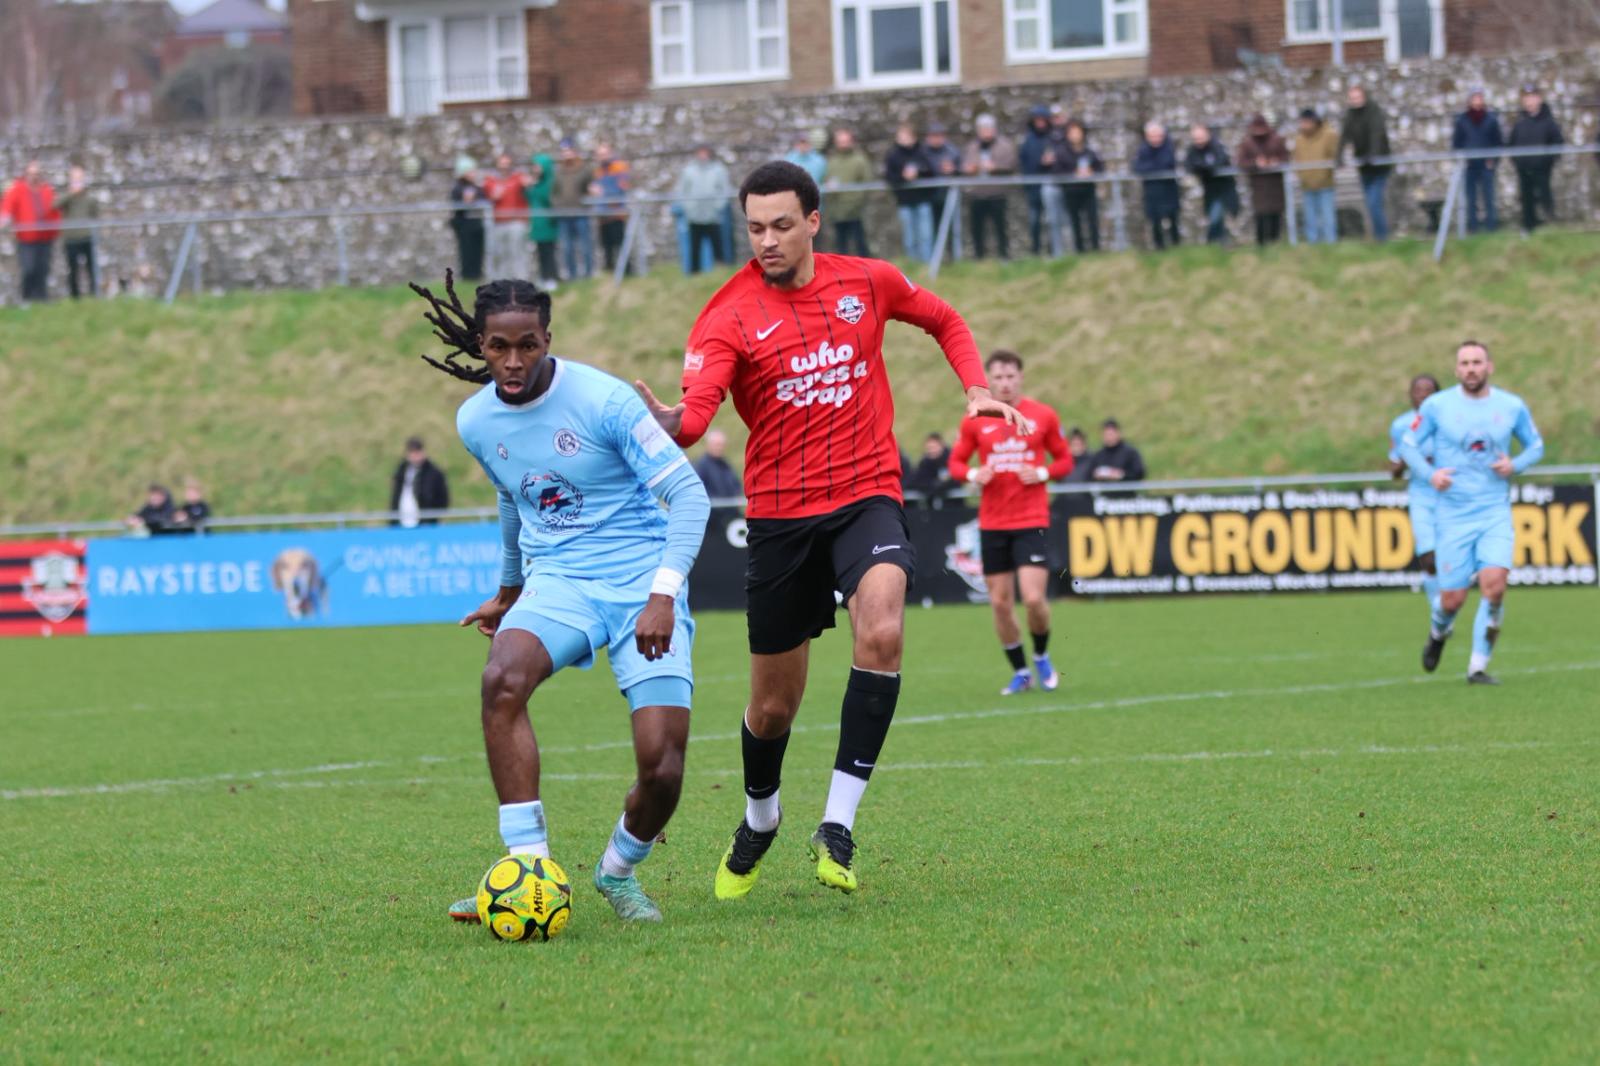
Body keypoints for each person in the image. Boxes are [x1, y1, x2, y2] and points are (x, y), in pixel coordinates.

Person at [633, 161, 1028, 897]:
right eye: (754, 227)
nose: (767, 240)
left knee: (881, 630)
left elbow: (942, 317)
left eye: (782, 225)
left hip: (865, 494)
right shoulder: (727, 315)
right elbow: (695, 415)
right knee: (773, 707)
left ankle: (838, 824)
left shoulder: (867, 281)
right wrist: (668, 425)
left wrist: (974, 383)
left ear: (814, 221)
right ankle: (759, 818)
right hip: (780, 518)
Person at [411, 274, 711, 925]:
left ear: (549, 338)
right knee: (502, 680)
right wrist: (510, 590)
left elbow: (689, 496)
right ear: (481, 345)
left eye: (527, 345)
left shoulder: (604, 401)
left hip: (641, 581)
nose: (513, 362)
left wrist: (663, 594)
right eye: (498, 348)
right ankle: (529, 872)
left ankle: (617, 870)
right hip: (562, 582)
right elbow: (513, 498)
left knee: (662, 766)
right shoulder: (475, 420)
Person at [1401, 341, 1544, 685]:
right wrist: (1430, 474)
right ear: (1456, 370)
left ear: (1489, 367)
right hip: (1452, 515)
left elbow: (1536, 445)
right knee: (1452, 599)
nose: (1471, 369)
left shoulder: (1511, 406)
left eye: (1477, 362)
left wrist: (1516, 463)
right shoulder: (1437, 406)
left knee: (1494, 588)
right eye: (1464, 363)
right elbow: (1408, 445)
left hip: (1493, 511)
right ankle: (1438, 633)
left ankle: (1477, 666)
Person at [948, 350, 1073, 696]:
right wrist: (975, 473)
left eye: (1009, 376)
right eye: (997, 378)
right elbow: (956, 463)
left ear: (1020, 377)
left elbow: (1064, 459)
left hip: (1031, 518)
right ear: (989, 381)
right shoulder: (975, 418)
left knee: (1033, 600)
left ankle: (1042, 655)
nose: (1004, 383)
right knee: (1001, 603)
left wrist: (1043, 471)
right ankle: (1021, 671)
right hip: (992, 522)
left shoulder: (1043, 415)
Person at [1388, 373, 1443, 627]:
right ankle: (1438, 610)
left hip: (1451, 498)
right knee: (1429, 559)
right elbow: (1394, 472)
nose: (1423, 394)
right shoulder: (1401, 426)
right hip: (1421, 497)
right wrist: (1405, 459)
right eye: (1418, 390)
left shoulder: (1448, 422)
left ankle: (1447, 603)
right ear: (1411, 394)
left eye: (1428, 390)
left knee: (1452, 560)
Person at [0, 160, 61, 303]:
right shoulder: (17, 190)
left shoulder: (47, 190)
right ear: (26, 174)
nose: (34, 177)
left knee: (43, 268)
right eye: (31, 174)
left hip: (45, 238)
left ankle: (42, 298)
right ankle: (27, 298)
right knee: (28, 268)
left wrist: (56, 228)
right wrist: (3, 221)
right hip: (26, 240)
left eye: (37, 174)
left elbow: (54, 210)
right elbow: (7, 208)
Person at [1507, 85, 1563, 235]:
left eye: (1532, 97)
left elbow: (1557, 142)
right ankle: (1528, 227)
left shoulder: (1548, 121)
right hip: (1524, 169)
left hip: (1542, 169)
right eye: (1526, 98)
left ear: (1539, 99)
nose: (1529, 101)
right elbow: (1511, 143)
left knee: (1544, 197)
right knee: (1527, 199)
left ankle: (1549, 228)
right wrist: (1518, 162)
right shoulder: (1520, 122)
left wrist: (1548, 161)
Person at [1340, 86, 1393, 242]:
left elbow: (1376, 133)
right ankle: (1379, 236)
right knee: (1371, 205)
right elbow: (1344, 136)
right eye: (1352, 98)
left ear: (1364, 97)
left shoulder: (1374, 111)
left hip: (1379, 166)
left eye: (1358, 97)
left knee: (1373, 203)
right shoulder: (1350, 115)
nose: (1355, 100)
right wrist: (1339, 156)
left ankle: (1381, 238)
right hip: (1364, 167)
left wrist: (1374, 154)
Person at [961, 113, 1017, 260]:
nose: (985, 131)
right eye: (982, 128)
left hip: (997, 193)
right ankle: (979, 258)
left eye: (988, 128)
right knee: (976, 229)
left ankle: (1004, 256)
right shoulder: (972, 147)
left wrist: (995, 168)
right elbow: (965, 165)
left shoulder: (1004, 146)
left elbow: (1011, 165)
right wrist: (969, 169)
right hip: (977, 193)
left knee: (1001, 228)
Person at [674, 145, 733, 275]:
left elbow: (724, 190)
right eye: (700, 153)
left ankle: (721, 269)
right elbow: (682, 191)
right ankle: (694, 272)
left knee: (717, 243)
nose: (703, 156)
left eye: (705, 153)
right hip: (695, 216)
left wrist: (718, 206)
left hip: (713, 215)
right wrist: (689, 208)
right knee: (695, 246)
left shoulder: (718, 170)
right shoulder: (688, 171)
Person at [1452, 91, 1503, 234]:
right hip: (1470, 166)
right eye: (1474, 98)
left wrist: (1493, 161)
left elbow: (1497, 143)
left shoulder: (1491, 119)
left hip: (1486, 165)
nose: (1477, 101)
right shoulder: (1462, 120)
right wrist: (1463, 160)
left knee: (1489, 197)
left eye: (1479, 98)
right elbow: (1457, 143)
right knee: (1471, 198)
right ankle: (1472, 228)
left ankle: (1491, 227)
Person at [1237, 114, 1289, 246]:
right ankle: (1261, 244)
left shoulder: (1277, 140)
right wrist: (1256, 164)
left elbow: (1285, 157)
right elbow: (1242, 162)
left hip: (1275, 185)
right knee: (1261, 215)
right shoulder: (1248, 143)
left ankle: (1275, 242)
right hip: (1258, 186)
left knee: (1275, 214)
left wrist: (1275, 162)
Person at [885, 124, 934, 262]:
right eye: (901, 137)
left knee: (926, 234)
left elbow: (931, 172)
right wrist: (903, 177)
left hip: (922, 199)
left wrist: (918, 173)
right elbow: (890, 177)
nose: (904, 139)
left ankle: (927, 263)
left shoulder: (923, 152)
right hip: (905, 201)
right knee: (909, 236)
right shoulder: (893, 155)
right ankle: (913, 263)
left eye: (906, 136)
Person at [480, 153, 532, 279]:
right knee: (502, 253)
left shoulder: (517, 178)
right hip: (499, 222)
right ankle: (503, 281)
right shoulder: (491, 180)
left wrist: (528, 182)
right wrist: (494, 194)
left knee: (517, 251)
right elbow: (489, 194)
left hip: (516, 222)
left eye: (507, 163)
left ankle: (521, 279)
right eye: (502, 163)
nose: (504, 167)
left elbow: (528, 183)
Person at [1292, 108, 1341, 244]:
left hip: (1325, 183)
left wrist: (1325, 173)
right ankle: (1312, 243)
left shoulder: (1328, 135)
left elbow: (1335, 155)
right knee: (1310, 217)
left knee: (1327, 215)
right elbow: (1297, 158)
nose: (1304, 125)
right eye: (1302, 122)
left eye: (1307, 122)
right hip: (1307, 184)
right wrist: (1302, 175)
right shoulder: (1299, 139)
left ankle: (1330, 242)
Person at [824, 127, 873, 258]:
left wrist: (856, 203)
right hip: (838, 211)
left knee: (860, 244)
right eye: (840, 141)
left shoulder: (859, 160)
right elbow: (827, 181)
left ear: (851, 141)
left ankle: (867, 273)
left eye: (845, 141)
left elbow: (866, 183)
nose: (843, 144)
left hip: (855, 211)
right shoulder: (832, 161)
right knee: (841, 246)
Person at [1019, 105, 1061, 256]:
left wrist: (1051, 162)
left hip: (1050, 184)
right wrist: (1040, 162)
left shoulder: (1053, 138)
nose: (1040, 123)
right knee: (1034, 221)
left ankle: (1053, 251)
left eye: (1043, 120)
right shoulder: (1028, 141)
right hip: (1034, 185)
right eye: (1037, 120)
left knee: (1053, 219)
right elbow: (1025, 163)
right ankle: (1035, 252)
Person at [1185, 123, 1238, 245]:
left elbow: (1217, 164)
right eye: (1196, 138)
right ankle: (1219, 243)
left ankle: (1213, 242)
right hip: (1209, 189)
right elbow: (1189, 165)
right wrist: (1204, 168)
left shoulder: (1217, 147)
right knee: (1214, 217)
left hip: (1225, 188)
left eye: (1200, 137)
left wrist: (1202, 168)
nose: (1198, 141)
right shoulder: (1193, 150)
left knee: (1217, 216)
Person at [1058, 119, 1104, 253]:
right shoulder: (1062, 153)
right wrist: (1073, 174)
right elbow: (1057, 172)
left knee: (1092, 221)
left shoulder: (1089, 152)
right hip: (1071, 192)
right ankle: (1080, 251)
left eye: (1077, 132)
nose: (1075, 135)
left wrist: (1092, 172)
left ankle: (1096, 249)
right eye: (1072, 133)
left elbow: (1100, 168)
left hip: (1088, 191)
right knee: (1075, 222)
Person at [1133, 122, 1180, 250]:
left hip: (1168, 190)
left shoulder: (1168, 148)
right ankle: (1159, 248)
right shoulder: (1143, 150)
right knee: (1155, 221)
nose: (1156, 139)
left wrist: (1151, 167)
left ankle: (1176, 246)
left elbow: (1166, 163)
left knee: (1172, 218)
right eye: (1152, 136)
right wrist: (1154, 167)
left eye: (1158, 135)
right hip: (1152, 191)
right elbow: (1138, 167)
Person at [551, 139, 593, 281]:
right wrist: (557, 205)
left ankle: (588, 274)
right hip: (564, 214)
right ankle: (572, 276)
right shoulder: (558, 172)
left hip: (581, 212)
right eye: (564, 152)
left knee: (584, 245)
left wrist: (587, 200)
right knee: (567, 247)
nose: (567, 154)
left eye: (569, 151)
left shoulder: (584, 170)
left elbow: (591, 188)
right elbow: (553, 192)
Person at [921, 122, 963, 258]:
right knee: (929, 229)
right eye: (933, 136)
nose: (936, 139)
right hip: (928, 196)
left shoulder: (952, 151)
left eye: (939, 136)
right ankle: (931, 258)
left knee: (951, 229)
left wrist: (953, 170)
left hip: (947, 195)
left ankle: (952, 256)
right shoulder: (922, 152)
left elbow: (961, 169)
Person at [591, 141, 633, 273]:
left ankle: (626, 272)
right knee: (606, 246)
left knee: (620, 245)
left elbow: (620, 190)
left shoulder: (620, 168)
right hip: (603, 216)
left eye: (605, 153)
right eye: (600, 154)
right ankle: (610, 272)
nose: (603, 157)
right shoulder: (598, 171)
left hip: (616, 213)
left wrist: (602, 192)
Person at [57, 165, 99, 299]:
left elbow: (95, 214)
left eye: (80, 179)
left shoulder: (89, 198)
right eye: (75, 179)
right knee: (73, 270)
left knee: (91, 268)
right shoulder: (67, 198)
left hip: (87, 238)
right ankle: (74, 297)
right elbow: (54, 206)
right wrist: (71, 194)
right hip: (71, 239)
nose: (78, 182)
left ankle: (94, 295)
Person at [390, 436, 450, 527]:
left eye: (417, 451)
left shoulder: (433, 473)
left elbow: (443, 499)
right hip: (401, 523)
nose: (415, 455)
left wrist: (432, 517)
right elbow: (395, 497)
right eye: (412, 452)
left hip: (425, 524)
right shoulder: (401, 471)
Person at [448, 155, 486, 282]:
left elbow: (483, 200)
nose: (473, 174)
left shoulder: (476, 187)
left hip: (476, 225)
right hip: (464, 226)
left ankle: (477, 274)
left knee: (477, 251)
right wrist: (465, 202)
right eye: (470, 171)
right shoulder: (458, 188)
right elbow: (457, 206)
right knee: (466, 251)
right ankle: (468, 276)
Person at [526, 152, 559, 290]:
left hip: (548, 223)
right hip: (537, 223)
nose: (535, 169)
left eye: (538, 166)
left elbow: (547, 198)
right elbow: (529, 198)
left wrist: (534, 186)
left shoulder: (550, 182)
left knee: (548, 252)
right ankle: (543, 276)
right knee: (540, 251)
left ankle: (551, 277)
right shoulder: (535, 183)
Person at [1088, 419, 1145, 484]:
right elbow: (1089, 475)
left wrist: (1122, 475)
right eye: (1106, 434)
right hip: (1104, 493)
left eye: (1111, 434)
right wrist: (1096, 475)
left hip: (1125, 492)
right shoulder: (1098, 455)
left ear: (1118, 433)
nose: (1109, 437)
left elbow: (1139, 473)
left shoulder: (1130, 452)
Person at [692, 429, 743, 500]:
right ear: (709, 444)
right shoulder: (702, 465)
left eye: (722, 445)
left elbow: (735, 484)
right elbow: (698, 489)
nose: (719, 448)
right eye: (717, 444)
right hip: (713, 509)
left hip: (729, 509)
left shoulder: (725, 464)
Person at [906, 432, 954, 499]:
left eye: (934, 447)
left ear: (942, 445)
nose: (932, 451)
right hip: (930, 505)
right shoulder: (924, 463)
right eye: (929, 448)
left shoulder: (951, 460)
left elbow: (953, 481)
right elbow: (916, 481)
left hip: (952, 503)